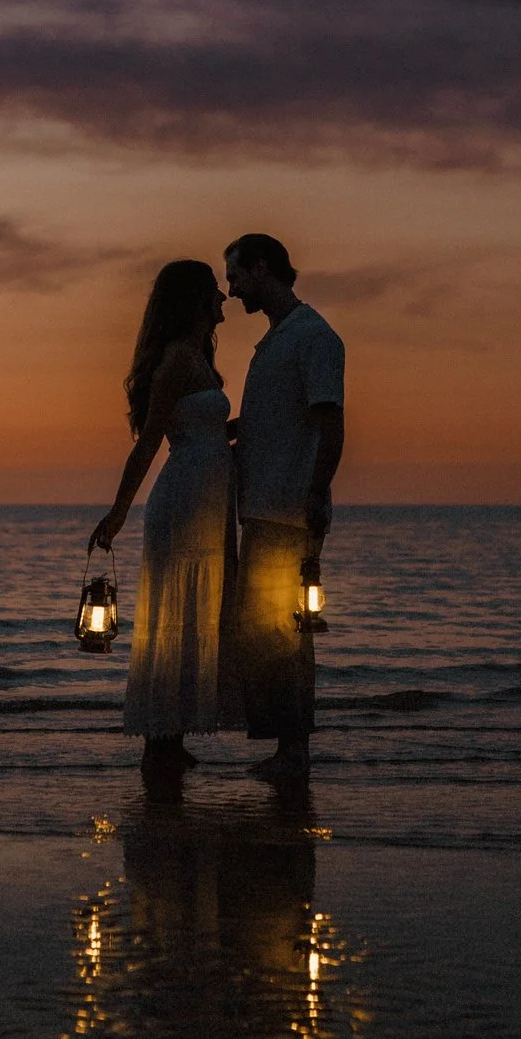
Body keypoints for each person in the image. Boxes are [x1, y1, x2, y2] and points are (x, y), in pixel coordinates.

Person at [89, 259, 241, 770]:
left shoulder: (198, 355)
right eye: (214, 292)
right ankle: (161, 741)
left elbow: (205, 429)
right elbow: (149, 443)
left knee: (197, 612)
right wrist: (117, 514)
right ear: (194, 300)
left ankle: (172, 737)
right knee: (175, 614)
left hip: (210, 498)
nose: (223, 299)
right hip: (182, 500)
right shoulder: (177, 359)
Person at [223, 233, 344, 780]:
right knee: (267, 632)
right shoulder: (277, 340)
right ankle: (286, 748)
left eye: (236, 278)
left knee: (280, 633)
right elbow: (276, 422)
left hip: (287, 510)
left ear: (263, 268)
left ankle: (294, 752)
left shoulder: (312, 337)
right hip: (265, 506)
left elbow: (329, 421)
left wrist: (316, 493)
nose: (231, 291)